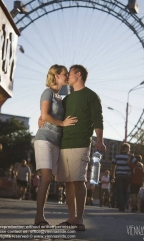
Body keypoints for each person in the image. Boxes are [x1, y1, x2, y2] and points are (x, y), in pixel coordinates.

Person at [56, 64, 106, 231]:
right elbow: (57, 118)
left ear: (78, 75)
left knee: (78, 181)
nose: (67, 76)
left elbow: (98, 119)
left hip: (81, 144)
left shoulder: (91, 96)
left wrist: (100, 139)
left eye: (69, 74)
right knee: (68, 183)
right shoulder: (67, 99)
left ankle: (79, 219)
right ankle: (71, 218)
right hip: (64, 144)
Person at [34, 64, 78, 226]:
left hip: (56, 142)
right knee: (45, 178)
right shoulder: (48, 92)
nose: (67, 76)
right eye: (65, 74)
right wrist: (62, 123)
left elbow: (75, 90)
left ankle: (43, 217)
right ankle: (39, 217)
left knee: (50, 179)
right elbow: (44, 115)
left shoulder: (60, 96)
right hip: (44, 138)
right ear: (56, 76)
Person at [111, 143, 134, 211]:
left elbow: (113, 166)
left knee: (120, 191)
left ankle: (121, 205)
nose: (129, 150)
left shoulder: (117, 156)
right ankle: (123, 205)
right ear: (125, 149)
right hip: (127, 176)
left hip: (119, 175)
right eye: (129, 148)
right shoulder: (130, 157)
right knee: (124, 191)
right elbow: (135, 164)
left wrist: (113, 175)